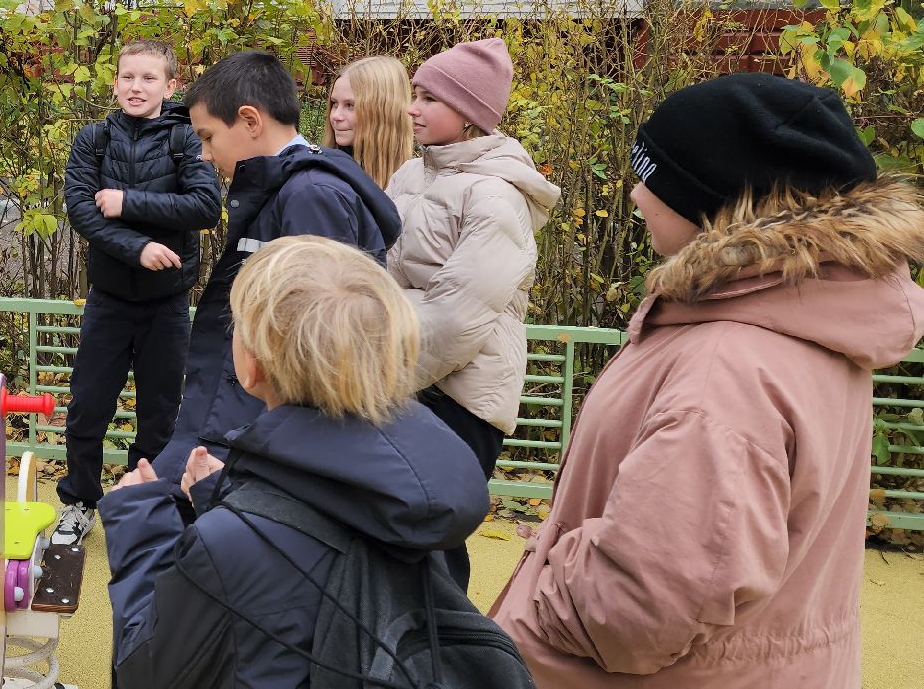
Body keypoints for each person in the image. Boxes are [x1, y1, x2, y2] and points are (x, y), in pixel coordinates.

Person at [492, 73, 924, 687]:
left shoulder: (725, 368)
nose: (636, 195)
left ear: (715, 203)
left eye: (651, 179)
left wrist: (535, 598)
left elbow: (637, 608)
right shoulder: (810, 320)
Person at [99, 236, 490, 688]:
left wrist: (141, 523)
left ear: (253, 366)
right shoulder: (428, 502)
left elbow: (147, 672)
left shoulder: (228, 543)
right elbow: (329, 547)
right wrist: (225, 497)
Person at [150, 50, 401, 481]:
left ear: (250, 121)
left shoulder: (309, 196)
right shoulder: (285, 188)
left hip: (258, 435)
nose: (205, 155)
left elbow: (316, 344)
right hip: (236, 423)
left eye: (208, 137)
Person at [382, 37, 559, 590]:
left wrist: (380, 377)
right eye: (415, 93)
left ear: (470, 115)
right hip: (406, 378)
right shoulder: (410, 176)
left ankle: (449, 660)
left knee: (433, 547)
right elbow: (382, 281)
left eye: (430, 98)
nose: (413, 107)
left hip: (463, 395)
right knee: (391, 539)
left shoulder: (496, 197)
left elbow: (458, 318)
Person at [54, 40, 221, 545]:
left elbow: (204, 206)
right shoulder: (93, 140)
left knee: (159, 413)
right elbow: (81, 210)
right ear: (115, 82)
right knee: (88, 405)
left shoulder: (185, 139)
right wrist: (138, 247)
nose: (136, 87)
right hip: (108, 299)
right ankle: (79, 502)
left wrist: (128, 201)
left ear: (170, 86)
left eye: (149, 79)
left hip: (167, 302)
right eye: (128, 77)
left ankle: (141, 501)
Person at [320, 55, 413, 190]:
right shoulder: (324, 178)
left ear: (383, 113)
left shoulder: (413, 186)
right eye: (334, 103)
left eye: (350, 105)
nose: (336, 116)